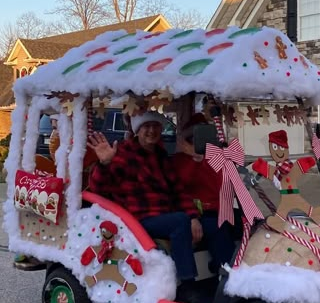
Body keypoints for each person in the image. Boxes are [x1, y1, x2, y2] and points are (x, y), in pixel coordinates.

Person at [87, 112, 203, 292]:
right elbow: (98, 187)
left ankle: (223, 280)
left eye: (155, 126)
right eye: (145, 126)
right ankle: (188, 284)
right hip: (137, 220)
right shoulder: (123, 154)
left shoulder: (161, 155)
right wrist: (104, 164)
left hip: (163, 216)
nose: (151, 131)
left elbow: (178, 190)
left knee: (214, 224)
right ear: (137, 130)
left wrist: (193, 217)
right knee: (180, 221)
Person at [173, 114, 236, 271]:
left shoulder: (217, 157)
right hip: (198, 212)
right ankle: (226, 272)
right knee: (215, 227)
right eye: (195, 137)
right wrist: (195, 158)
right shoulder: (181, 159)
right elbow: (181, 184)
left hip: (221, 210)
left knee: (253, 223)